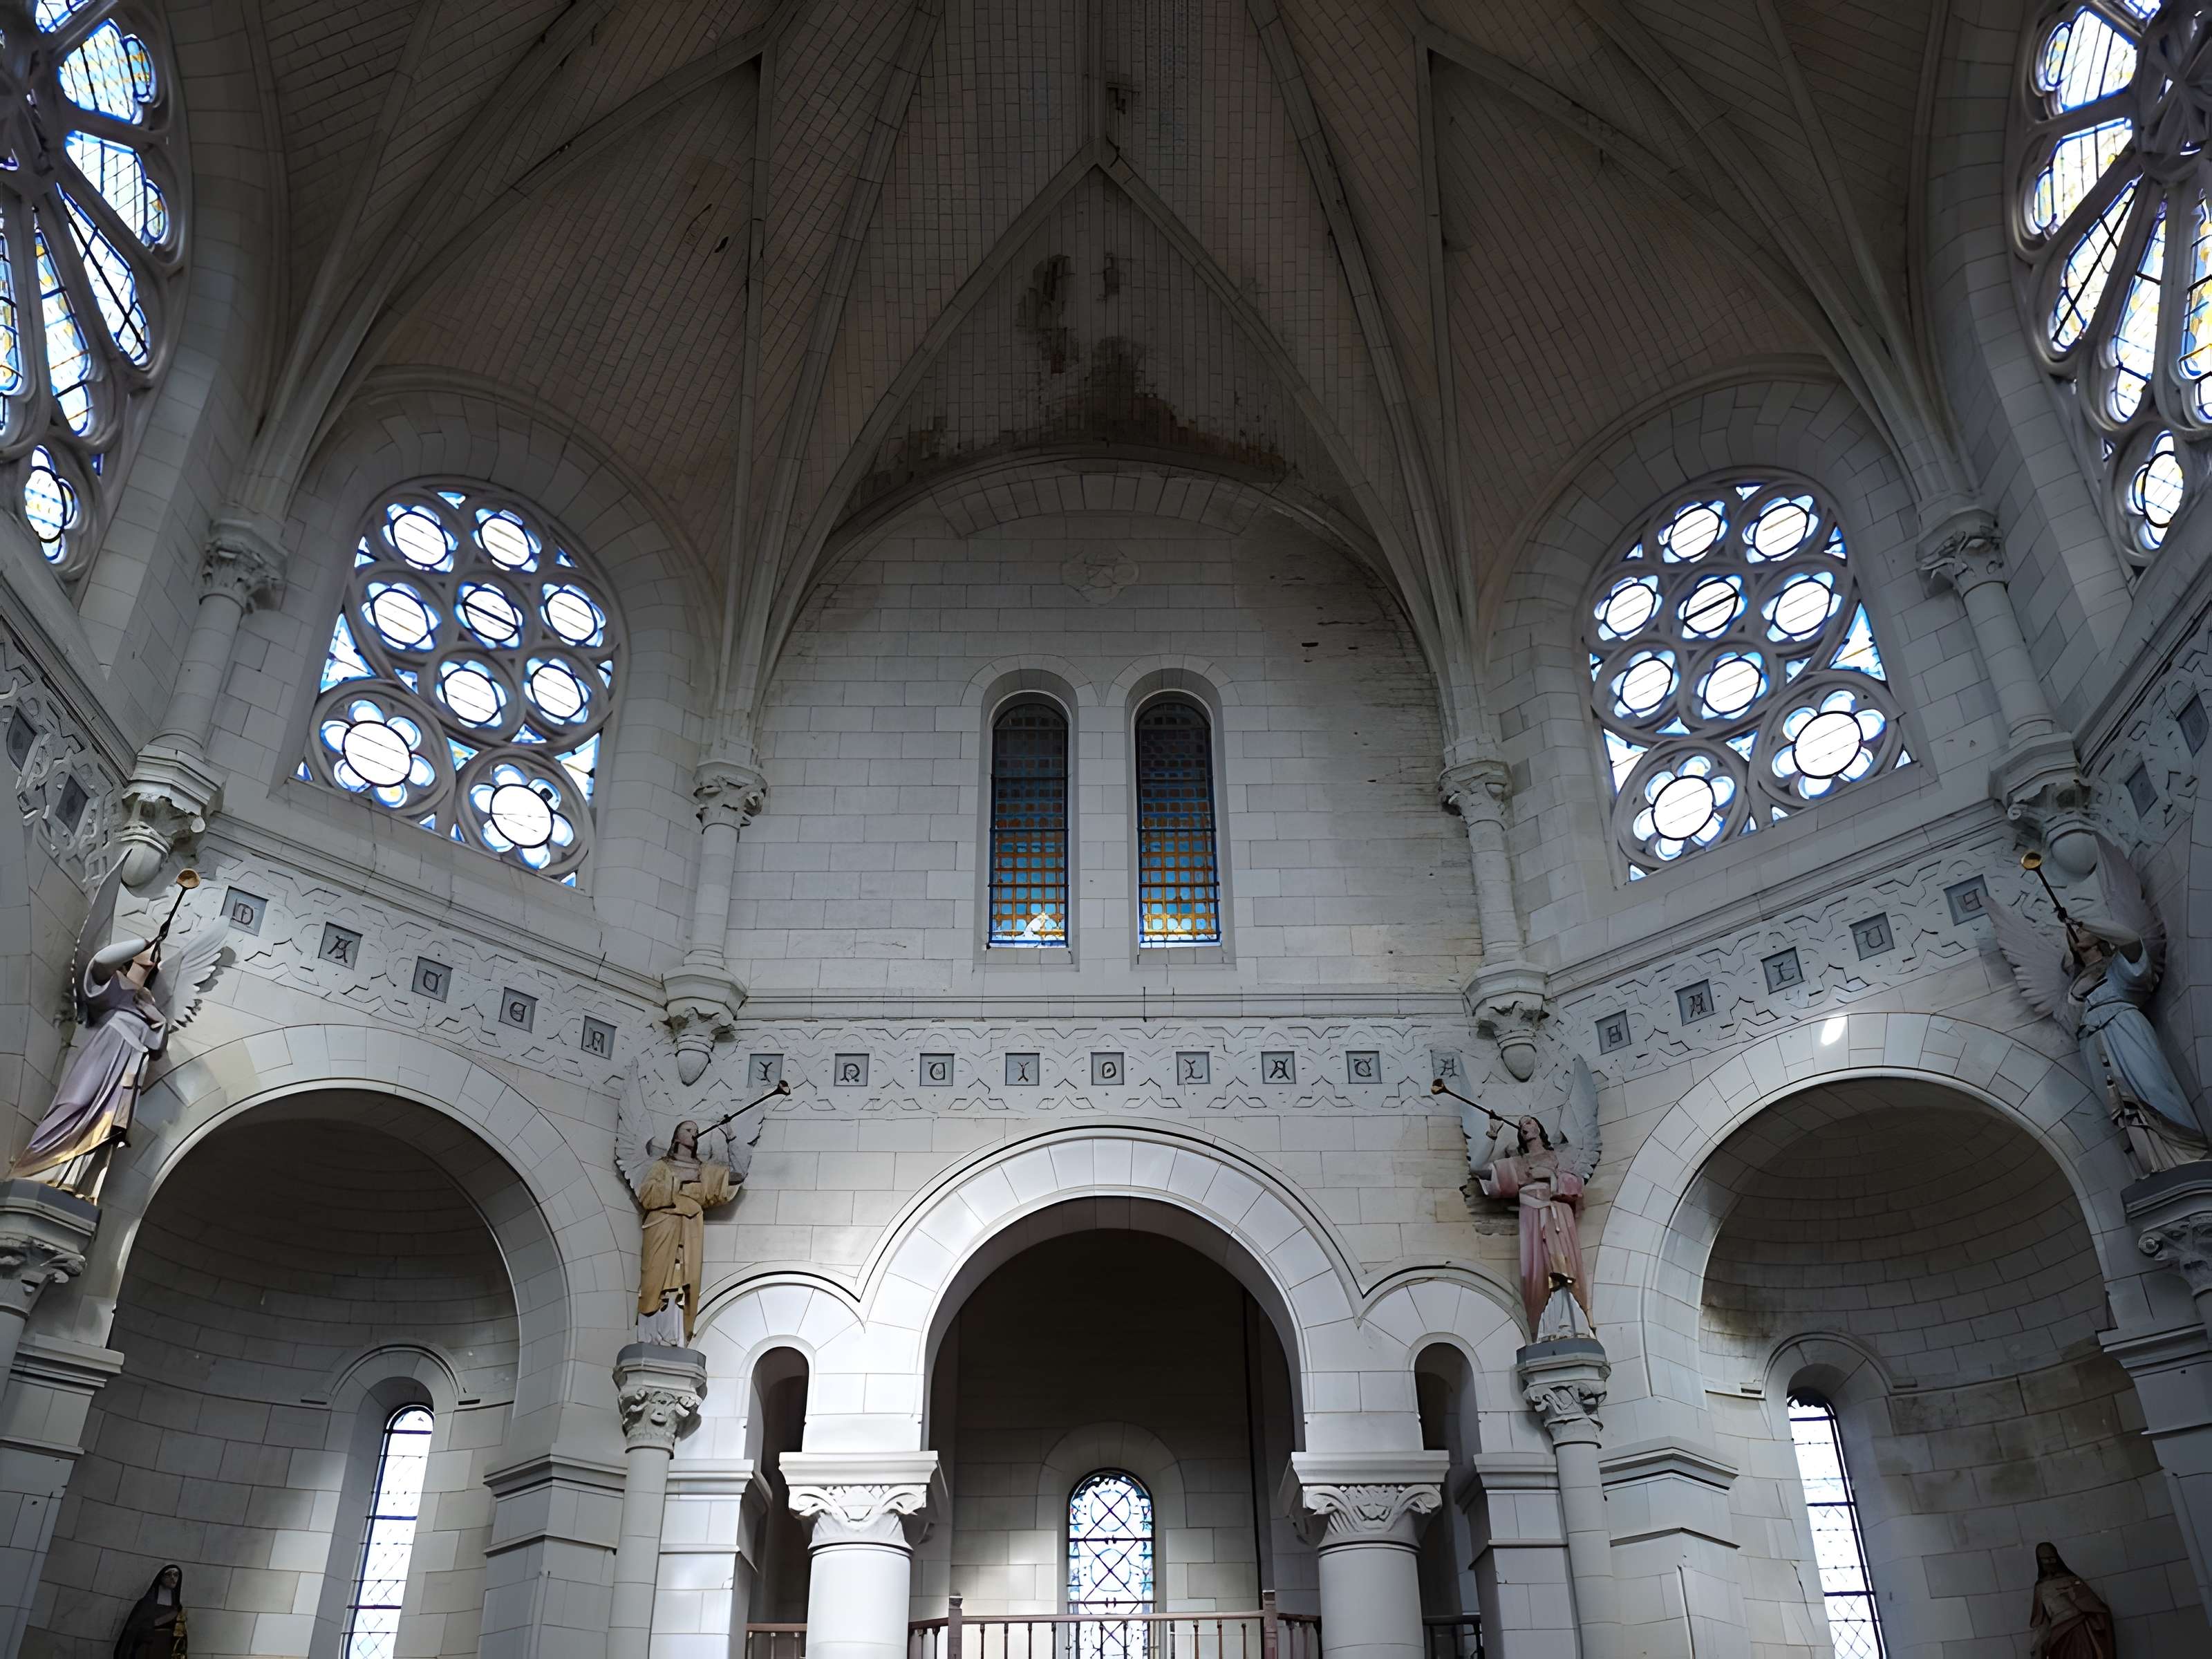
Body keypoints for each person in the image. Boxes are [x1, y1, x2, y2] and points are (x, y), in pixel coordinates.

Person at [12, 939, 168, 1201]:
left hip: (126, 1068)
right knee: (74, 1103)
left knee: (105, 1122)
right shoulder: (116, 982)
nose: (154, 951)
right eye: (148, 950)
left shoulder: (148, 1000)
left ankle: (71, 1179)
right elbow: (100, 965)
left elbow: (157, 1047)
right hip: (103, 1054)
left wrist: (160, 1020)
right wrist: (141, 942)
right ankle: (36, 1164)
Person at [1474, 1114, 1593, 1338]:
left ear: (1539, 1128)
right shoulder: (1518, 1164)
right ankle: (1545, 1329)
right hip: (1532, 1224)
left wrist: (1550, 1178)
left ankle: (1572, 1324)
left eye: (1528, 1122)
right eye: (1520, 1126)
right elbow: (1478, 1169)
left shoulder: (1557, 1157)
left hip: (1557, 1220)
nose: (1523, 1127)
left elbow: (1577, 1185)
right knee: (1537, 1276)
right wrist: (1492, 1134)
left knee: (1563, 1269)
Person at [634, 1121, 737, 1344]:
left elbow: (730, 1179)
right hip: (662, 1225)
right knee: (656, 1278)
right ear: (677, 1137)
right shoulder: (662, 1167)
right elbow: (647, 1196)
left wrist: (729, 1143)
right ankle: (650, 1330)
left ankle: (674, 1332)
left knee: (682, 1279)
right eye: (688, 1130)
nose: (694, 1134)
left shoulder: (703, 1170)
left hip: (689, 1228)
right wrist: (678, 1180)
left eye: (697, 1132)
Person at [2027, 1542, 2114, 1659]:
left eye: (2052, 1559)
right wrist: (2039, 1646)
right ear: (2040, 1562)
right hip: (2058, 1635)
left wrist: (2074, 1597)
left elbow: (2096, 1607)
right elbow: (2041, 1620)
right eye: (2045, 1560)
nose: (2050, 1564)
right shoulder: (2041, 1587)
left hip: (2079, 1629)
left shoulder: (2073, 1580)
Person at [113, 1564, 185, 1659]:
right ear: (161, 1577)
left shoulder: (177, 1604)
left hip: (166, 1650)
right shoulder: (148, 1600)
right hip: (146, 1648)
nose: (173, 1578)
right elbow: (135, 1627)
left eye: (176, 1575)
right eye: (168, 1574)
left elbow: (180, 1632)